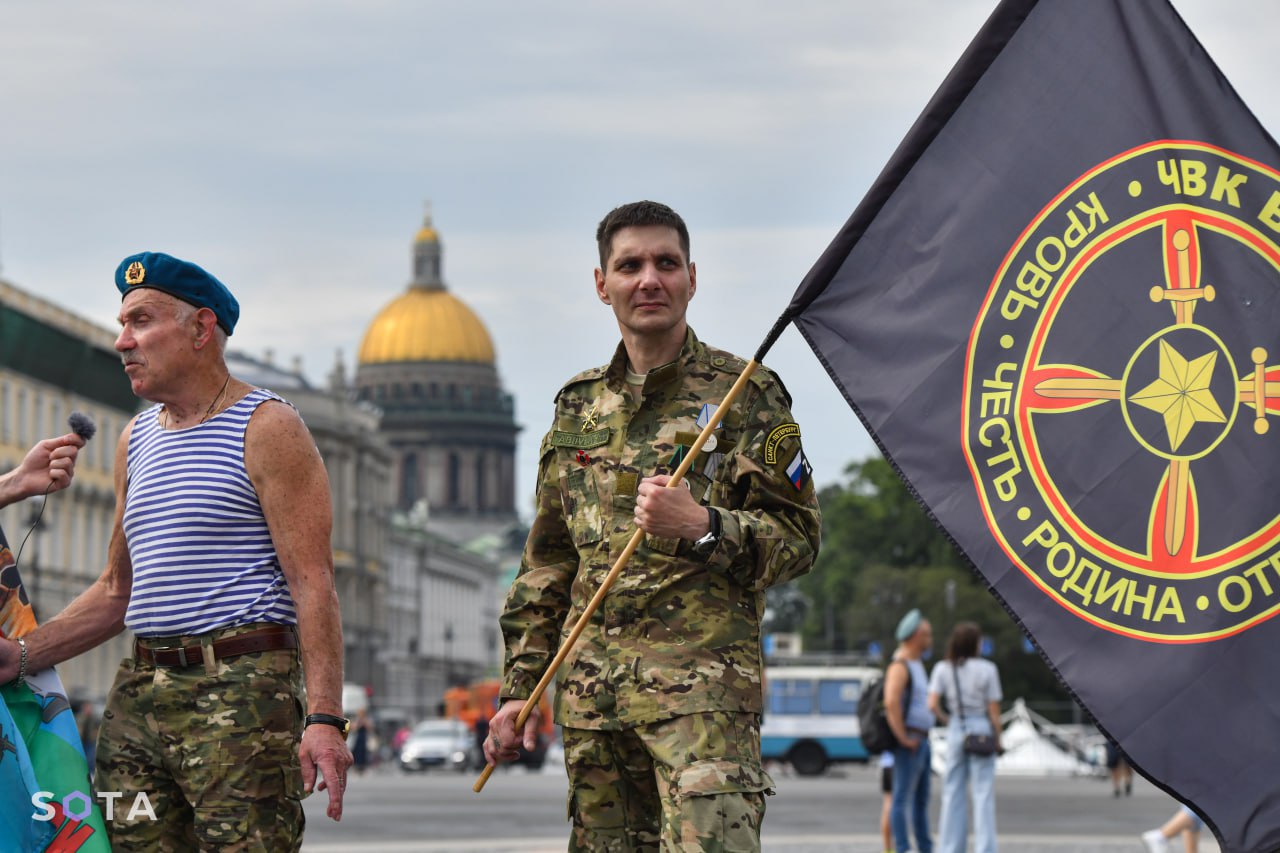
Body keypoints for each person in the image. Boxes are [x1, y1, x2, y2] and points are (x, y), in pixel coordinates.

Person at [483, 200, 821, 851]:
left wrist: (703, 525)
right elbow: (548, 565)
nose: (649, 279)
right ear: (601, 283)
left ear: (692, 277)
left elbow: (800, 539)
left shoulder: (744, 394)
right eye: (630, 265)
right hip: (594, 709)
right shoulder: (577, 405)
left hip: (702, 706)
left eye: (666, 263)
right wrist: (519, 689)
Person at [0, 252, 352, 850]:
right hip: (139, 693)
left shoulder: (266, 427)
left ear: (200, 328)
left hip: (240, 692)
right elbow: (118, 590)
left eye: (140, 321)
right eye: (121, 324)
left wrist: (324, 718)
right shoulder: (135, 437)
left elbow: (312, 582)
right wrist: (23, 655)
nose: (121, 342)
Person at [927, 622, 1003, 853]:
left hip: (956, 728)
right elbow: (993, 711)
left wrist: (947, 719)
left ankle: (950, 848)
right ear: (975, 644)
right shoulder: (988, 669)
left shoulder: (942, 668)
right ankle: (985, 848)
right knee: (983, 793)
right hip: (980, 727)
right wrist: (997, 737)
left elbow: (932, 704)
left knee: (952, 792)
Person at [884, 608, 936, 853]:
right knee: (902, 799)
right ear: (916, 635)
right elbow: (890, 702)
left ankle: (925, 848)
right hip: (911, 740)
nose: (930, 639)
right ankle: (904, 849)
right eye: (927, 635)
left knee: (920, 801)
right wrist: (902, 737)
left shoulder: (916, 664)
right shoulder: (901, 665)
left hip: (921, 740)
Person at [879, 751, 895, 853]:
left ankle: (888, 849)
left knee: (887, 803)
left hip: (886, 763)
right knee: (899, 806)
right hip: (898, 763)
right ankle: (901, 847)